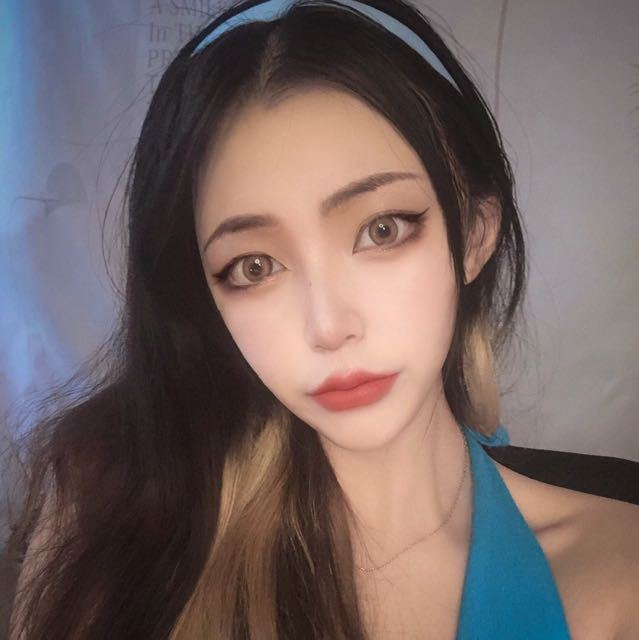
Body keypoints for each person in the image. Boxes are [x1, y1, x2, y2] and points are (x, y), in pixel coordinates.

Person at [6, 0, 639, 638]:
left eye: (382, 230)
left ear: (475, 233)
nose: (329, 327)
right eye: (254, 266)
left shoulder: (619, 577)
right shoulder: (103, 519)